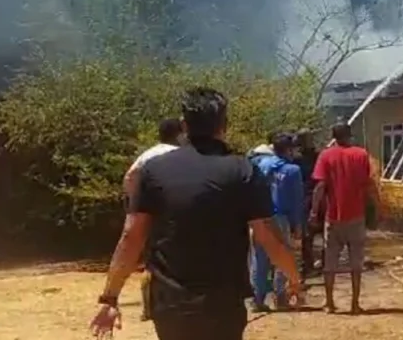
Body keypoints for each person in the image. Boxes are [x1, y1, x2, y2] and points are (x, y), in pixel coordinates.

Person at [89, 87, 302, 340]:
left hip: (171, 305)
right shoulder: (243, 171)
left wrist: (110, 298)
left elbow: (131, 237)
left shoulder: (155, 171)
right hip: (223, 305)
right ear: (224, 125)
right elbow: (268, 236)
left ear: (183, 125)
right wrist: (294, 278)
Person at [309, 122, 382, 314]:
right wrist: (378, 207)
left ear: (333, 136)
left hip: (333, 218)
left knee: (330, 263)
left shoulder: (326, 155)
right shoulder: (361, 154)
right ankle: (355, 304)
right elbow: (369, 185)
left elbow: (319, 187)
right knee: (356, 263)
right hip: (356, 217)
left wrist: (314, 212)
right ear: (350, 135)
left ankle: (329, 303)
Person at [122, 118, 183, 322]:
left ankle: (148, 308)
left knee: (149, 261)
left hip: (145, 212)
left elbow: (129, 178)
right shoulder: (174, 155)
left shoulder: (147, 154)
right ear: (180, 134)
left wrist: (135, 204)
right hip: (169, 215)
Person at [249, 132, 305, 312]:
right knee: (282, 255)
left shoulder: (259, 166)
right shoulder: (292, 170)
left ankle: (257, 298)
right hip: (280, 218)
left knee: (259, 258)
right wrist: (298, 225)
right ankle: (280, 296)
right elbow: (297, 201)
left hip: (259, 217)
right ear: (289, 149)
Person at [293, 128, 321, 277]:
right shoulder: (318, 156)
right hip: (318, 196)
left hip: (305, 197)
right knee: (320, 233)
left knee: (307, 235)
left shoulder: (296, 159)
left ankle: (308, 265)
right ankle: (321, 264)